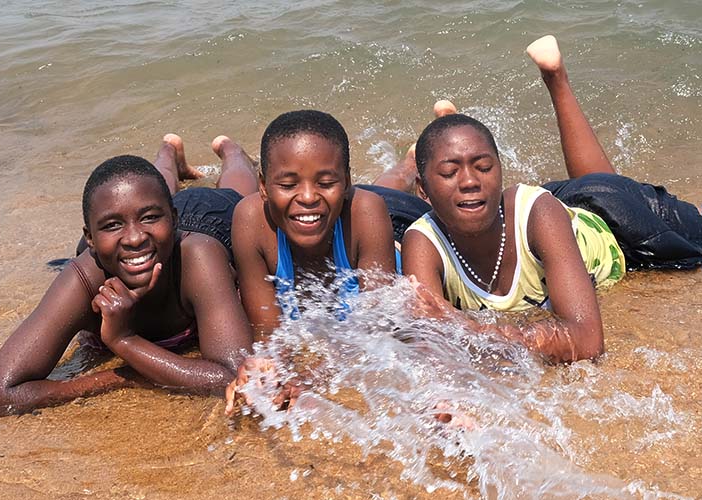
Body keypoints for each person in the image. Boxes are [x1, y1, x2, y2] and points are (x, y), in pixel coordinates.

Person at [403, 35, 702, 364]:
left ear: (501, 173)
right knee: (589, 183)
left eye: (483, 167)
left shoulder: (539, 213)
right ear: (423, 191)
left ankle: (555, 77)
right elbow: (430, 347)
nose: (471, 181)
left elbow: (587, 341)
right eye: (450, 172)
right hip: (557, 212)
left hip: (618, 223)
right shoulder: (422, 240)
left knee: (608, 186)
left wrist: (464, 327)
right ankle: (445, 135)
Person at [0, 134, 257, 417]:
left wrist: (125, 342)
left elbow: (234, 377)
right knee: (139, 193)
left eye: (150, 218)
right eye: (112, 225)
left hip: (208, 220)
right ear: (91, 238)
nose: (133, 238)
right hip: (157, 228)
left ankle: (229, 150)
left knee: (237, 195)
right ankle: (169, 152)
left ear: (173, 220)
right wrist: (117, 377)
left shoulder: (198, 258)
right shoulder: (84, 278)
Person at [223, 110, 431, 414]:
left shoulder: (367, 212)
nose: (308, 196)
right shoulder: (251, 220)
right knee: (379, 185)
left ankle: (410, 163)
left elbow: (376, 327)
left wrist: (310, 377)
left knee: (391, 186)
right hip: (335, 212)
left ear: (346, 182)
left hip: (394, 224)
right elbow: (267, 333)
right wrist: (263, 373)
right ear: (264, 186)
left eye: (326, 181)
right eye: (288, 184)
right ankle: (230, 151)